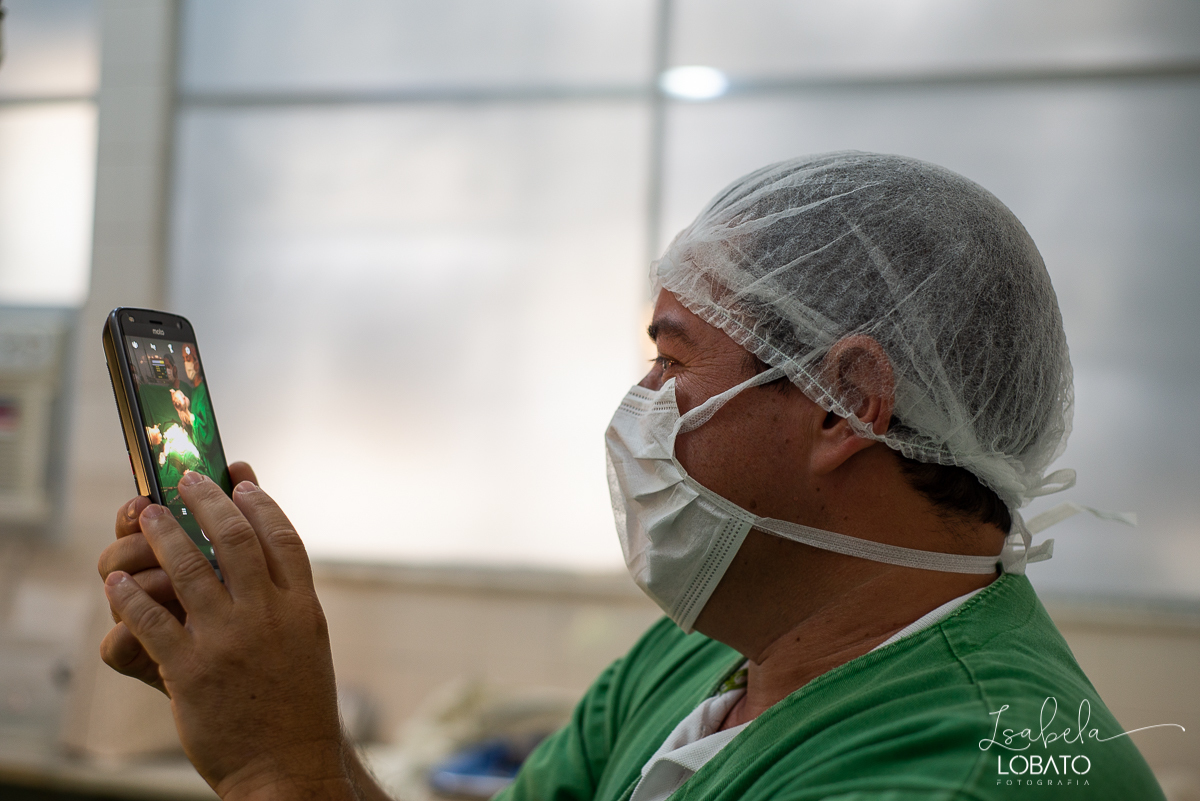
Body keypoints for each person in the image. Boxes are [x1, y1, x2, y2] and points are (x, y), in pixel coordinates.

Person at [97, 153, 1166, 800]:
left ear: (849, 404)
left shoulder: (963, 769)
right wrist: (277, 711)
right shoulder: (694, 664)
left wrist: (271, 776)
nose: (638, 402)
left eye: (670, 357)